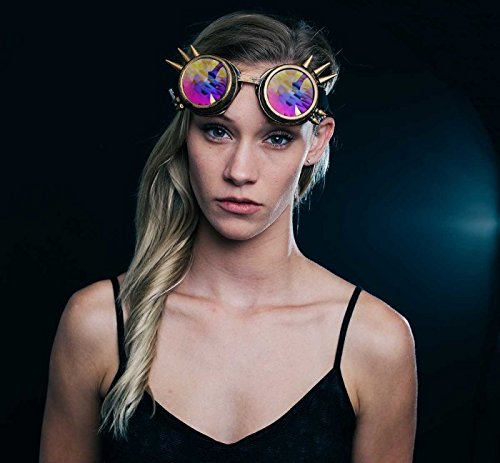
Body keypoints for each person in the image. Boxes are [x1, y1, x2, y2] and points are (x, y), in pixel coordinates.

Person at [39, 10, 417, 463]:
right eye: (217, 131)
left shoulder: (374, 342)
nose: (239, 171)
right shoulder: (98, 323)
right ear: (187, 133)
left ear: (317, 142)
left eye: (276, 138)